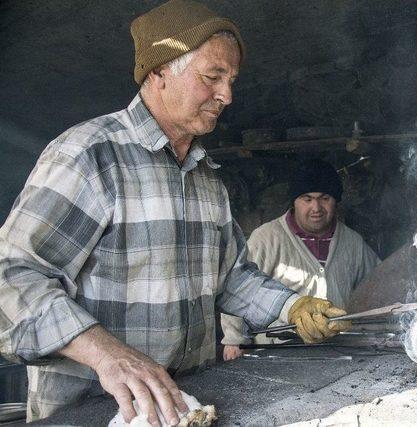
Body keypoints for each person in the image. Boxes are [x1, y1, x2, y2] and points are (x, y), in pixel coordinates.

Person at [0, 1, 350, 424]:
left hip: (187, 406)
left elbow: (230, 278)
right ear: (159, 72)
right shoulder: (89, 156)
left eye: (231, 80)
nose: (227, 95)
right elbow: (14, 276)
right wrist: (108, 354)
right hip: (91, 411)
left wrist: (292, 307)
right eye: (212, 77)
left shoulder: (205, 175)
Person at [221, 159, 381, 360]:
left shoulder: (353, 242)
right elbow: (237, 286)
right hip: (279, 351)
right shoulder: (266, 238)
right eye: (307, 198)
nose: (316, 207)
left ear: (336, 200)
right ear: (294, 202)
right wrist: (234, 339)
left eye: (324, 198)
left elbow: (378, 283)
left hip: (339, 350)